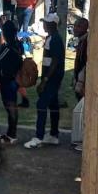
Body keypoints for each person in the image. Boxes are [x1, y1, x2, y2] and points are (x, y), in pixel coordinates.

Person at [25, 13, 65, 149]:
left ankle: (39, 136)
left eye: (46, 23)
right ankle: (53, 135)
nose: (44, 25)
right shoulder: (50, 38)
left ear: (53, 24)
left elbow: (55, 61)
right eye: (44, 22)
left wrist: (45, 80)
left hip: (52, 77)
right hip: (50, 76)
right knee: (53, 105)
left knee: (41, 104)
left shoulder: (56, 40)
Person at [0, 21, 23, 144]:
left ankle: (12, 134)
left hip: (7, 80)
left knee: (10, 107)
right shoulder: (18, 45)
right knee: (12, 106)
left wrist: (0, 46)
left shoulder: (6, 48)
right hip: (14, 79)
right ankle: (11, 132)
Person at [72, 18, 89, 100]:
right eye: (74, 26)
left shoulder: (86, 41)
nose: (75, 28)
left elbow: (85, 63)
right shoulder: (81, 40)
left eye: (79, 26)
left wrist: (81, 82)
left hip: (82, 80)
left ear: (85, 28)